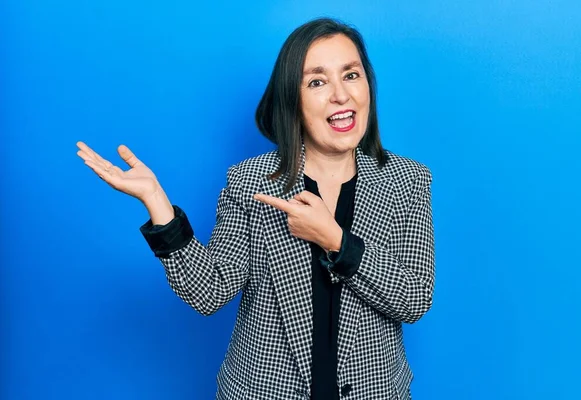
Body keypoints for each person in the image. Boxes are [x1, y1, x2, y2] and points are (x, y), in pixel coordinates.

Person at [76, 17, 435, 400]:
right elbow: (209, 292)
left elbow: (413, 299)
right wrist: (159, 206)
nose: (340, 95)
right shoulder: (250, 182)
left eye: (351, 75)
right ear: (292, 100)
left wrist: (333, 239)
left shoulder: (408, 181)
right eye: (317, 81)